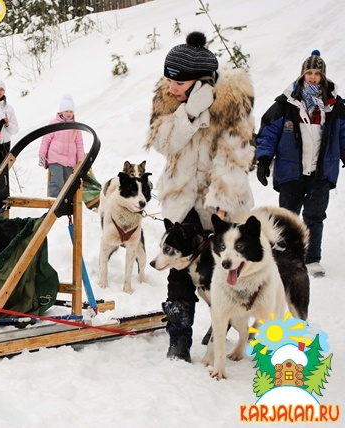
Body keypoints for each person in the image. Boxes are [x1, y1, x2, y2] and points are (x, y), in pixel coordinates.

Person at [144, 31, 255, 362]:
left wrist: (222, 201)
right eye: (168, 79)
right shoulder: (167, 101)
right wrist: (188, 115)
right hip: (181, 197)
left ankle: (222, 327)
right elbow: (164, 144)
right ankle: (179, 337)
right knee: (179, 270)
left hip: (220, 199)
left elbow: (235, 154)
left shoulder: (232, 101)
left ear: (200, 81)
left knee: (222, 272)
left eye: (178, 82)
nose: (170, 87)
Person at [255, 50, 345, 278]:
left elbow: (344, 135)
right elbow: (268, 133)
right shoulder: (287, 104)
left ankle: (312, 258)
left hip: (321, 170)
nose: (313, 77)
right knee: (288, 215)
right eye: (309, 72)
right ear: (302, 74)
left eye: (317, 73)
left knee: (315, 216)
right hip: (290, 169)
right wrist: (263, 159)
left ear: (323, 76)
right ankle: (286, 257)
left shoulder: (335, 106)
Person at [38, 94, 85, 197]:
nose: (69, 114)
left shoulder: (75, 127)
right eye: (66, 111)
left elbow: (79, 144)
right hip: (55, 158)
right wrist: (42, 154)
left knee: (67, 184)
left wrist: (80, 161)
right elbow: (46, 140)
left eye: (71, 111)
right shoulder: (54, 124)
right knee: (57, 182)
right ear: (61, 111)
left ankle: (64, 204)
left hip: (69, 161)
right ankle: (53, 202)